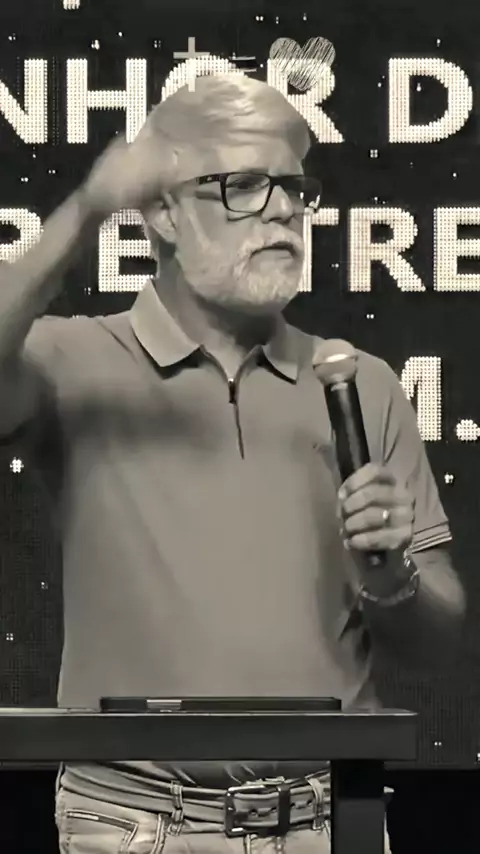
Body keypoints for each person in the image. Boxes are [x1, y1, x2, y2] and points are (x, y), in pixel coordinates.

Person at [0, 74, 465, 854]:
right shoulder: (70, 362)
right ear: (163, 213)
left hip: (329, 819)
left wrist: (393, 579)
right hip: (132, 827)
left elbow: (439, 643)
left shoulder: (360, 382)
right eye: (244, 186)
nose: (284, 209)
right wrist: (86, 211)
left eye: (295, 189)